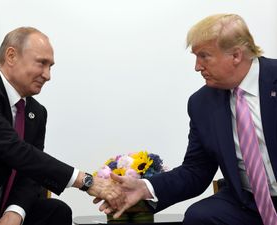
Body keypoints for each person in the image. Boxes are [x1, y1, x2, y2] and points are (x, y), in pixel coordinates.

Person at [97, 14, 277, 225]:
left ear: (236, 55)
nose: (197, 67)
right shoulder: (202, 103)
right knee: (199, 217)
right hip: (246, 202)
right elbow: (196, 170)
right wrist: (145, 187)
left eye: (204, 56)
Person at [0, 27, 124, 225]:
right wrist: (85, 181)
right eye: (41, 63)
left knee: (56, 211)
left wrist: (15, 212)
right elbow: (15, 150)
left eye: (50, 66)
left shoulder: (36, 112)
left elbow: (30, 173)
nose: (47, 75)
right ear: (11, 56)